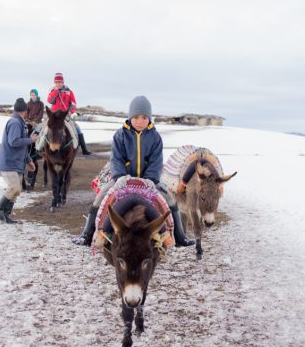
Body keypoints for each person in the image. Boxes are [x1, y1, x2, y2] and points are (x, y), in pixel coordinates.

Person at [72, 95, 195, 247]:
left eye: (144, 117)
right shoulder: (120, 135)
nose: (140, 121)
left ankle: (180, 236)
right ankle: (87, 233)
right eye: (136, 117)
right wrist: (120, 177)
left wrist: (151, 178)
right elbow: (116, 159)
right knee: (101, 196)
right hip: (122, 178)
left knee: (170, 198)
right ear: (130, 117)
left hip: (149, 180)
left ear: (149, 119)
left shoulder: (155, 137)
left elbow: (156, 161)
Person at [0, 98, 38, 223]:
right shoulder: (15, 122)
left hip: (16, 163)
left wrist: (28, 160)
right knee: (14, 188)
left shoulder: (19, 123)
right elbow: (13, 142)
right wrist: (30, 140)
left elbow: (21, 147)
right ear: (24, 111)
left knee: (17, 190)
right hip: (9, 163)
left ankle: (6, 215)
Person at [46, 72, 91, 155]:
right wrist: (56, 91)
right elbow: (49, 101)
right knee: (44, 129)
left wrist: (70, 111)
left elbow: (74, 104)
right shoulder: (52, 91)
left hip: (65, 116)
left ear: (63, 82)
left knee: (77, 129)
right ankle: (40, 148)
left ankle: (84, 149)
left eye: (59, 82)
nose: (58, 84)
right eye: (56, 82)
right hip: (54, 116)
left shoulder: (69, 91)